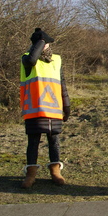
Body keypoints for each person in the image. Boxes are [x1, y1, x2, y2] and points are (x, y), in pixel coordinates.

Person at [20, 28, 70, 188]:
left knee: (54, 141)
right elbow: (31, 60)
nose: (45, 47)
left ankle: (55, 171)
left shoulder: (56, 60)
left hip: (54, 109)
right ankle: (31, 173)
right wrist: (41, 41)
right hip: (34, 108)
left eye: (46, 44)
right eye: (42, 44)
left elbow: (62, 84)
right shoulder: (27, 59)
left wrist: (67, 105)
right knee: (33, 142)